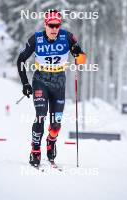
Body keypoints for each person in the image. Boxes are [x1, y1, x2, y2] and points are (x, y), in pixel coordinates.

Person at [17, 9, 86, 167]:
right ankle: (35, 150)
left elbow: (82, 59)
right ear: (45, 25)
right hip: (40, 80)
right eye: (51, 25)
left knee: (56, 123)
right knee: (40, 115)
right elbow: (21, 59)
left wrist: (77, 53)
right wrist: (25, 83)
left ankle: (51, 141)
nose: (54, 29)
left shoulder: (67, 37)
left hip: (59, 82)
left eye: (57, 25)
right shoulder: (36, 39)